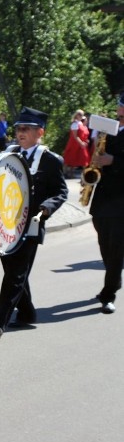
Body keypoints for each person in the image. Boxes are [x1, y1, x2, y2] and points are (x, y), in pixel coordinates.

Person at [0, 107, 69, 338]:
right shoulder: (8, 154)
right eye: (18, 128)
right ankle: (27, 312)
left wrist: (46, 208)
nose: (20, 133)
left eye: (26, 129)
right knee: (12, 270)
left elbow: (61, 191)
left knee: (16, 275)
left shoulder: (50, 160)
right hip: (5, 223)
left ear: (39, 132)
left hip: (31, 224)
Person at [89, 95, 124, 314]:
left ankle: (108, 294)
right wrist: (96, 148)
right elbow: (97, 155)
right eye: (119, 107)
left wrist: (114, 161)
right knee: (104, 244)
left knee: (117, 248)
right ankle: (114, 277)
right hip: (103, 197)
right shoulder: (110, 129)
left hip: (122, 199)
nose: (119, 111)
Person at [63, 109, 91, 179]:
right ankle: (65, 173)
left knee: (79, 158)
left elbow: (82, 134)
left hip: (79, 144)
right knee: (69, 158)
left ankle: (72, 174)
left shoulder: (80, 123)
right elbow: (75, 136)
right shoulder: (75, 124)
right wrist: (81, 143)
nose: (82, 116)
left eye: (82, 115)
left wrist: (85, 140)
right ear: (77, 115)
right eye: (81, 115)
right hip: (74, 144)